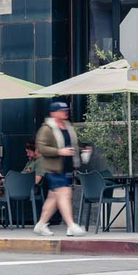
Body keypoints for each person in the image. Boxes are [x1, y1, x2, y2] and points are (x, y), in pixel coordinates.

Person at [33, 100, 91, 237]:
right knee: (65, 192)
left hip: (66, 166)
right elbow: (41, 147)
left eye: (66, 110)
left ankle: (41, 225)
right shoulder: (46, 129)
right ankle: (71, 225)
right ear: (53, 113)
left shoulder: (68, 126)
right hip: (52, 168)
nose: (65, 112)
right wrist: (59, 151)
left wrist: (84, 149)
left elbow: (73, 143)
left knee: (53, 197)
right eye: (61, 111)